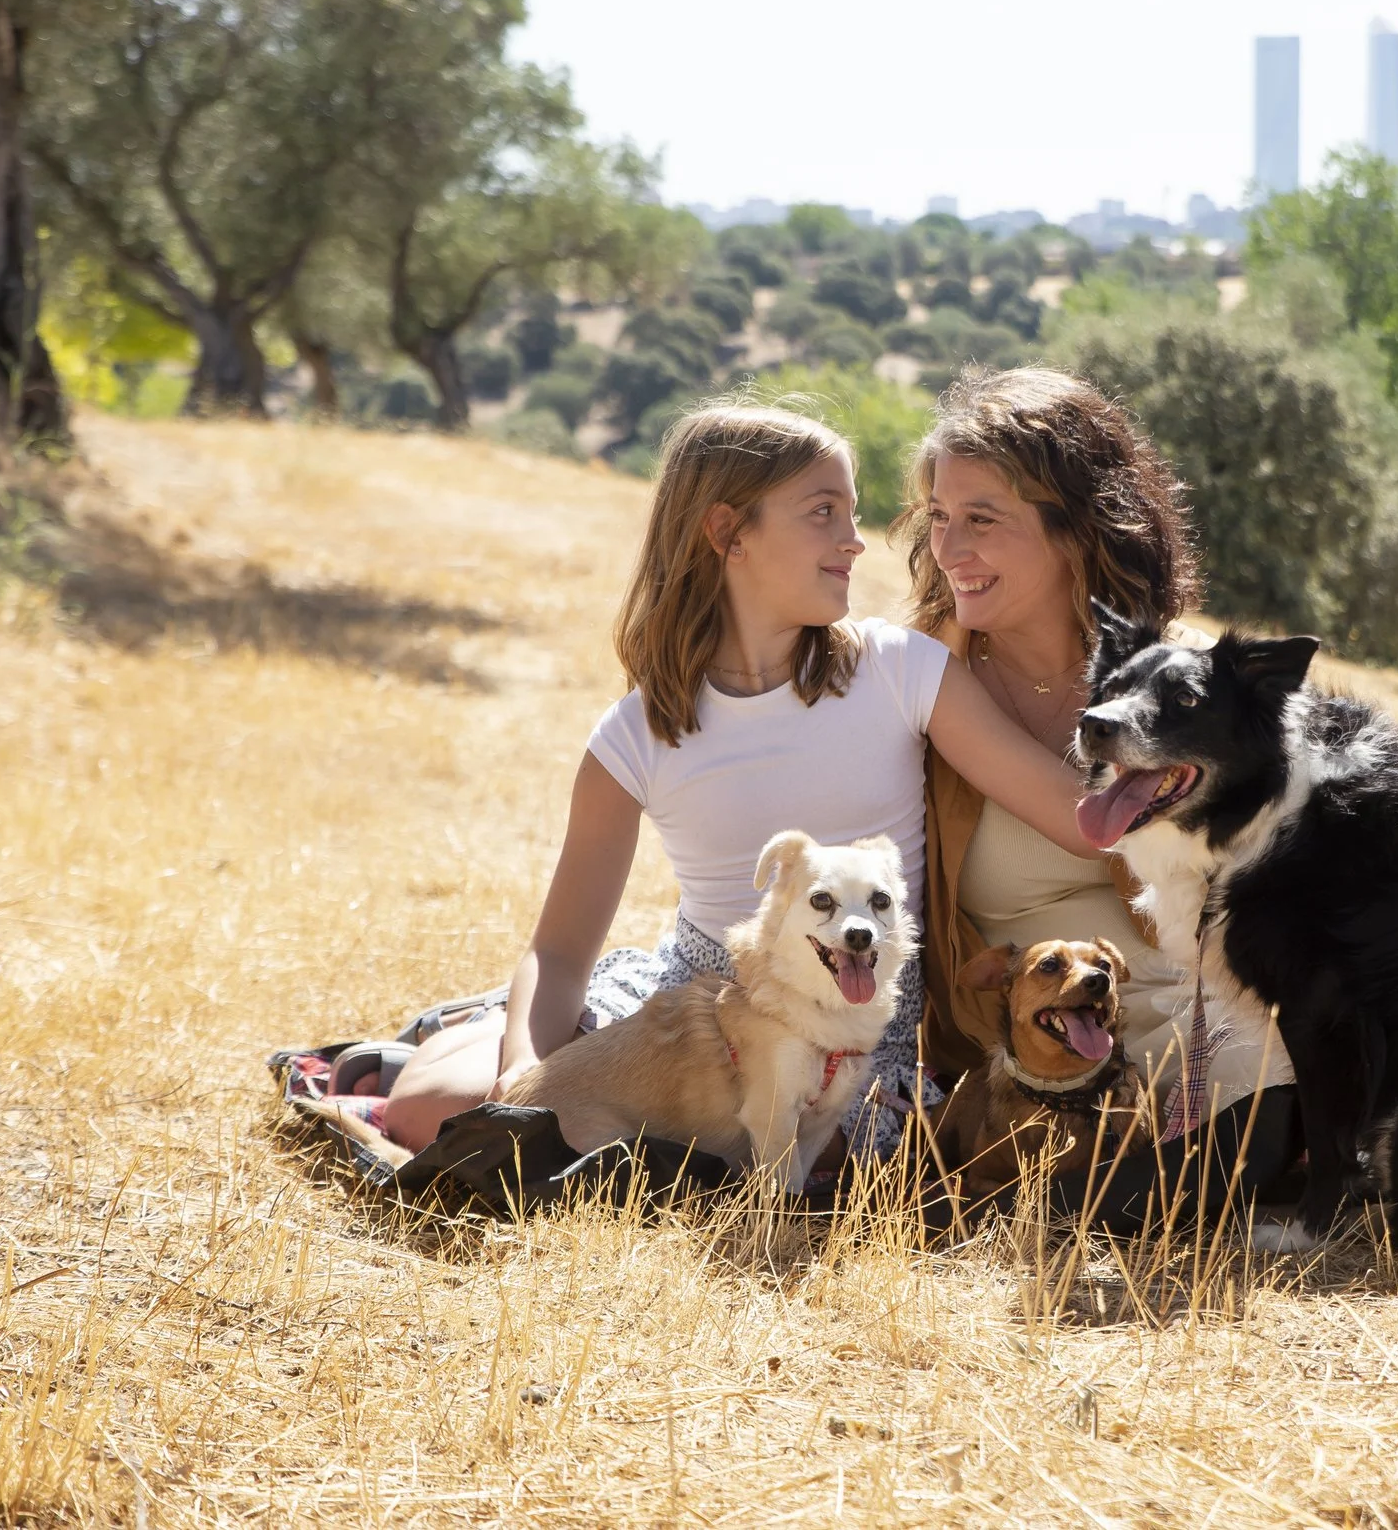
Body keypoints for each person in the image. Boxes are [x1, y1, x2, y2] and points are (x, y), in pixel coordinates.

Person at [372, 399, 1097, 1160]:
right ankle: (490, 1041)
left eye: (852, 513)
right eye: (823, 512)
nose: (854, 540)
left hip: (849, 1030)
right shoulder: (637, 735)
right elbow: (557, 953)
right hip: (689, 1015)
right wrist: (522, 1071)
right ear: (727, 532)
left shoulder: (900, 670)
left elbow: (1078, 819)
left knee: (800, 1157)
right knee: (431, 1109)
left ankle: (615, 1135)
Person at [900, 366, 1301, 1230]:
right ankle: (1064, 1204)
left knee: (1272, 1083)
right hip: (1043, 1043)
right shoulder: (919, 681)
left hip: (1202, 1011)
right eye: (938, 516)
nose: (950, 548)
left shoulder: (1183, 679)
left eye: (982, 519)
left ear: (1078, 531)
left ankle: (1095, 1201)